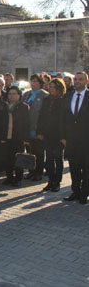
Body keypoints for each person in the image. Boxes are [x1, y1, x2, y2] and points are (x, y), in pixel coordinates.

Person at [61, 72, 89, 204]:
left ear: (86, 82)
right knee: (74, 167)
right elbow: (62, 118)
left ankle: (85, 193)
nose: (77, 81)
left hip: (86, 140)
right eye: (76, 79)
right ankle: (75, 191)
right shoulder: (68, 96)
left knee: (86, 167)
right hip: (71, 140)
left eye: (80, 79)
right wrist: (63, 137)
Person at [37, 78, 66, 192]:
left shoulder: (63, 101)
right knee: (49, 158)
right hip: (47, 133)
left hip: (59, 134)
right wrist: (39, 131)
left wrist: (64, 136)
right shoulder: (46, 100)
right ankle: (50, 180)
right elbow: (41, 116)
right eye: (50, 87)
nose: (52, 89)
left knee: (58, 158)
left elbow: (65, 119)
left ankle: (57, 182)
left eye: (54, 87)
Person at [22, 74, 49, 181]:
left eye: (35, 81)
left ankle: (38, 172)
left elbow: (45, 115)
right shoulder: (26, 94)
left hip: (38, 129)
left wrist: (41, 131)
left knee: (39, 152)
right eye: (32, 81)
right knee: (29, 152)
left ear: (40, 83)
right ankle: (31, 171)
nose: (33, 83)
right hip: (27, 128)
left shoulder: (45, 96)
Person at [4, 86, 30, 187]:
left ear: (19, 95)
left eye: (14, 94)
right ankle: (9, 177)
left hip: (18, 137)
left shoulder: (23, 106)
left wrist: (26, 139)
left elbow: (26, 123)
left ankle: (18, 178)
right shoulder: (5, 106)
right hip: (7, 136)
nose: (12, 96)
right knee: (8, 158)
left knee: (18, 159)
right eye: (10, 94)